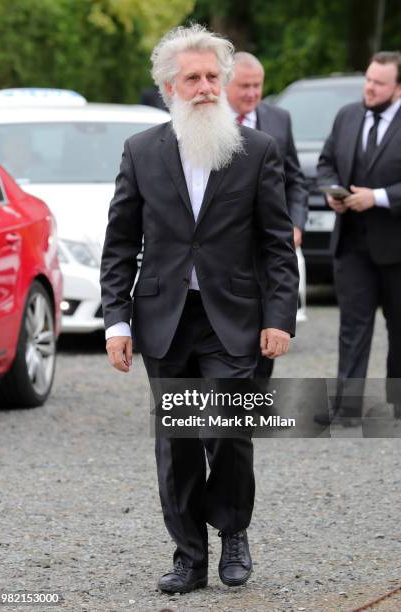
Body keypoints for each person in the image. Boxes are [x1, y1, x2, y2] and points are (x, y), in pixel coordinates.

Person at [100, 24, 299, 593]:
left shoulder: (258, 150)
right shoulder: (140, 151)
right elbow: (120, 244)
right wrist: (117, 320)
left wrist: (279, 318)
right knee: (179, 443)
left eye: (215, 76)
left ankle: (233, 530)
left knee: (229, 433)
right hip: (163, 320)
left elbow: (275, 246)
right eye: (194, 77)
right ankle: (189, 556)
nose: (208, 87)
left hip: (234, 319)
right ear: (170, 87)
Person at [316, 51, 401, 426]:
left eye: (379, 83)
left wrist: (378, 197)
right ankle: (347, 409)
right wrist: (329, 193)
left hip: (396, 247)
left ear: (398, 87)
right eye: (368, 79)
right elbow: (326, 161)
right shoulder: (347, 116)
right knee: (352, 326)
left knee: (399, 327)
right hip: (351, 243)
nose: (370, 87)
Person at [226, 52, 308, 378]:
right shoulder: (211, 121)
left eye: (257, 86)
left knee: (268, 329)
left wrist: (296, 223)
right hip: (228, 247)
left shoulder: (279, 119)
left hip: (270, 244)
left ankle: (252, 407)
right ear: (225, 85)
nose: (252, 93)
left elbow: (296, 179)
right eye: (244, 86)